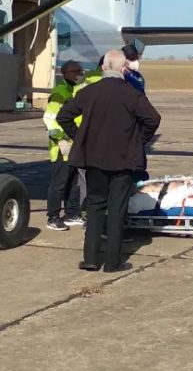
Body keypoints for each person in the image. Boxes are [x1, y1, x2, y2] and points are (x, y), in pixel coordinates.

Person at [57, 50, 161, 272]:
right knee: (117, 209)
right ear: (123, 69)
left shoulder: (90, 91)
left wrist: (79, 136)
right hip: (123, 161)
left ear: (104, 67)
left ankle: (91, 260)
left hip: (93, 159)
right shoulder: (131, 94)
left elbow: (63, 115)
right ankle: (113, 262)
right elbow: (153, 118)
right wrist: (139, 141)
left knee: (95, 206)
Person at [43, 60, 85, 231]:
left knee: (74, 182)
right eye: (74, 71)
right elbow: (49, 118)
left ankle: (72, 213)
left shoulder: (74, 91)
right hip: (62, 147)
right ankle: (53, 217)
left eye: (80, 71)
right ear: (64, 73)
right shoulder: (60, 93)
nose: (78, 74)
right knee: (59, 183)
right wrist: (60, 139)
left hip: (74, 144)